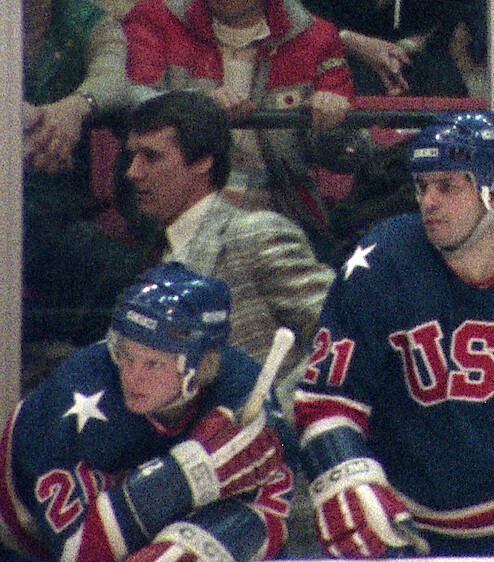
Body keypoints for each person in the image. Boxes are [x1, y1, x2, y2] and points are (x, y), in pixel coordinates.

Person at [291, 110, 494, 558]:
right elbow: (328, 400)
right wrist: (349, 482)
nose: (428, 202)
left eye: (447, 186)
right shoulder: (383, 263)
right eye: (423, 186)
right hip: (408, 534)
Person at [0, 263, 292, 562]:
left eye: (152, 363)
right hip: (19, 559)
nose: (131, 376)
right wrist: (191, 474)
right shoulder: (74, 392)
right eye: (125, 355)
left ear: (199, 366)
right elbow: (78, 552)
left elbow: (273, 508)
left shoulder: (244, 388)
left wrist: (210, 540)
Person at [122, 90, 334, 401]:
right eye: (133, 157)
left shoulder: (256, 233)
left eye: (151, 157)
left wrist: (273, 413)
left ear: (203, 161)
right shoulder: (154, 253)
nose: (133, 172)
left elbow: (341, 334)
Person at [123, 0, 367, 246]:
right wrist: (198, 109)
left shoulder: (317, 36)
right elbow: (133, 103)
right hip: (175, 213)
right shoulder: (154, 17)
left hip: (282, 218)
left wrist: (333, 125)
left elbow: (346, 158)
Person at [22, 0, 139, 346]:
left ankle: (71, 365)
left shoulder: (88, 20)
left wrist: (74, 108)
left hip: (53, 206)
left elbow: (114, 79)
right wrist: (19, 117)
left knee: (118, 269)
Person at [301, 0, 485, 97]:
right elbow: (301, 24)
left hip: (426, 70)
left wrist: (407, 47)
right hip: (341, 69)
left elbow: (482, 32)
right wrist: (348, 40)